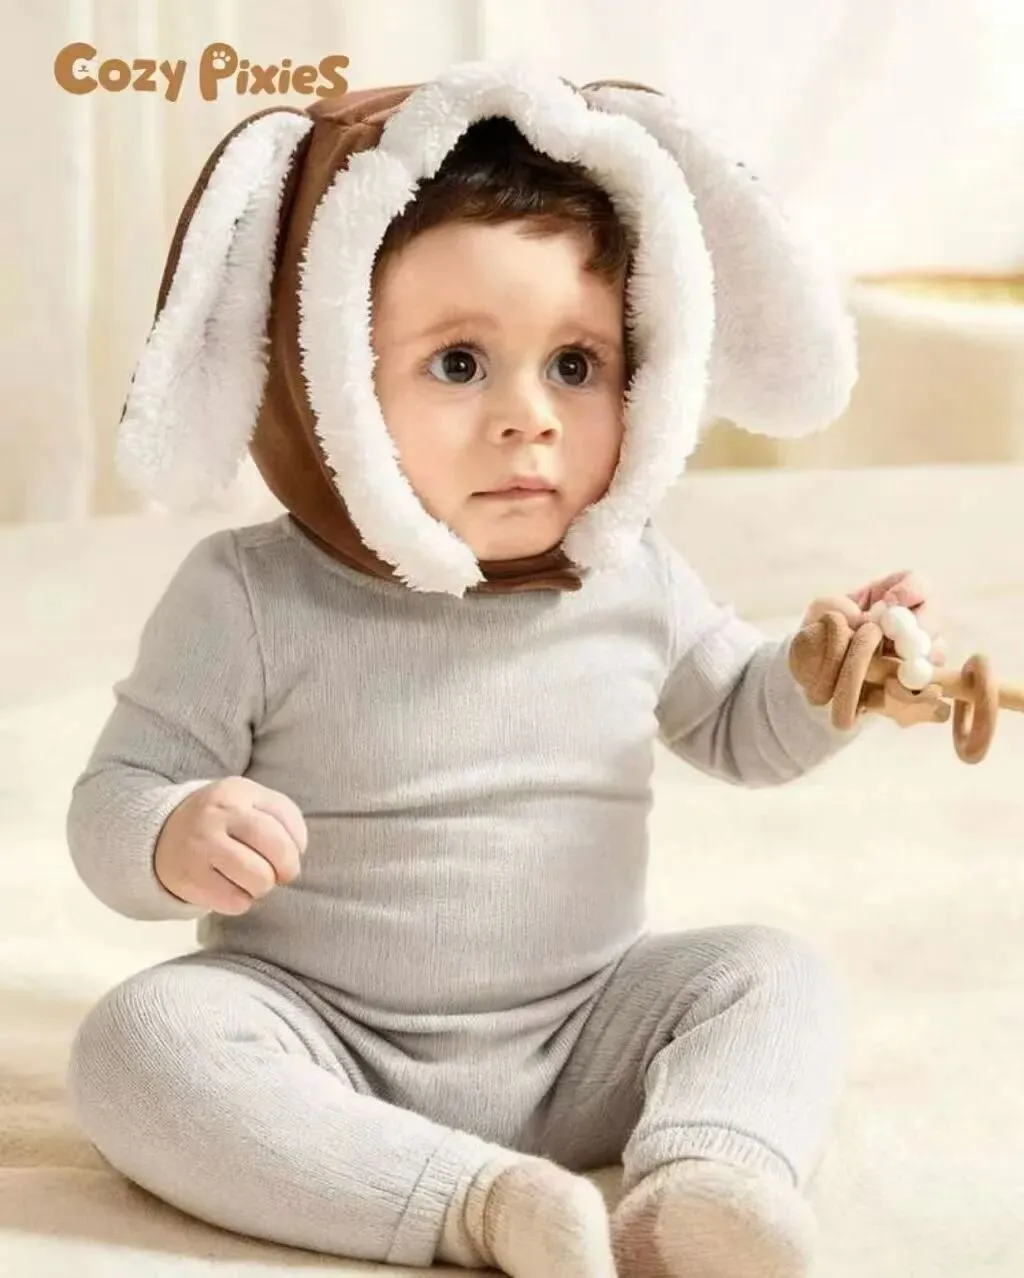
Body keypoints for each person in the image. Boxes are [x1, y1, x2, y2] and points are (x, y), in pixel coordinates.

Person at [64, 63, 941, 1277]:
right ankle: (477, 1206)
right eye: (460, 364)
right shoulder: (250, 595)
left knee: (770, 975)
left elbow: (740, 729)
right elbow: (115, 798)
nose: (530, 417)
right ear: (321, 380)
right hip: (324, 1037)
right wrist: (172, 832)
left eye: (575, 365)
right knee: (139, 1040)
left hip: (585, 1035)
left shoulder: (627, 573)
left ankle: (702, 1185)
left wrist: (819, 675)